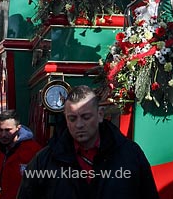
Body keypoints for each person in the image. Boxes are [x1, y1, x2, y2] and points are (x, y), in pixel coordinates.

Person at [18, 85, 159, 199]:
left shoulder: (130, 155)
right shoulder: (43, 161)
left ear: (100, 115)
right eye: (72, 118)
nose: (79, 125)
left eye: (86, 117)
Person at [0, 110, 42, 199]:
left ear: (18, 129)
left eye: (8, 130)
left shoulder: (34, 152)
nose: (3, 135)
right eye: (0, 130)